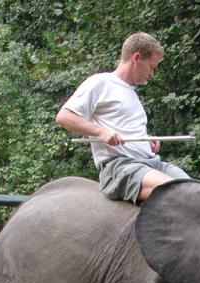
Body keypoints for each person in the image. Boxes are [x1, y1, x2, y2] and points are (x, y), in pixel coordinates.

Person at [55, 32, 190, 204]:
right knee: (176, 191)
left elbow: (126, 130)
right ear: (136, 57)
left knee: (197, 191)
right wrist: (100, 131)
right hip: (122, 168)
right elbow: (64, 117)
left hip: (152, 164)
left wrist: (148, 142)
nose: (152, 74)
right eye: (151, 67)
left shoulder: (131, 92)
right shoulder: (100, 83)